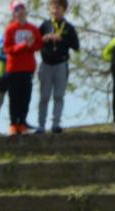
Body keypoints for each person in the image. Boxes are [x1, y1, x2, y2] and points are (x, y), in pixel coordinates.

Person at [36, 0, 79, 134]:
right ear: (50, 9)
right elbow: (35, 43)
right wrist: (43, 39)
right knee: (44, 96)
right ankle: (41, 125)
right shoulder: (45, 25)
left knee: (58, 96)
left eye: (58, 8)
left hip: (61, 64)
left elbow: (76, 46)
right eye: (53, 8)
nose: (55, 11)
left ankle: (56, 124)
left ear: (64, 10)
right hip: (46, 65)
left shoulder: (68, 27)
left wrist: (62, 40)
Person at [3, 1, 43, 137]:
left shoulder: (33, 28)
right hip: (14, 68)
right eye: (17, 10)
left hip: (28, 68)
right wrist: (23, 46)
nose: (20, 12)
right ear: (13, 13)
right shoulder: (10, 29)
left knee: (26, 97)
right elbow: (7, 49)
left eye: (22, 9)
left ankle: (22, 123)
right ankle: (13, 124)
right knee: (14, 97)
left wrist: (31, 46)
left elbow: (39, 44)